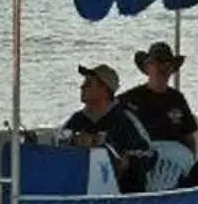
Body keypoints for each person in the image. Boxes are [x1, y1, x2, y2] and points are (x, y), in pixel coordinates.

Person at [119, 40, 198, 189]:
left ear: (172, 69)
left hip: (174, 162)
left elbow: (189, 138)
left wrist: (192, 166)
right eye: (157, 63)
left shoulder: (177, 99)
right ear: (147, 67)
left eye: (167, 64)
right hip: (141, 161)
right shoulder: (129, 99)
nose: (162, 68)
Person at [61, 63, 152, 193]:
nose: (81, 87)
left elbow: (149, 154)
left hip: (123, 196)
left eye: (88, 83)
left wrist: (128, 162)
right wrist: (74, 142)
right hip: (82, 192)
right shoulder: (76, 120)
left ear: (104, 88)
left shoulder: (125, 119)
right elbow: (59, 149)